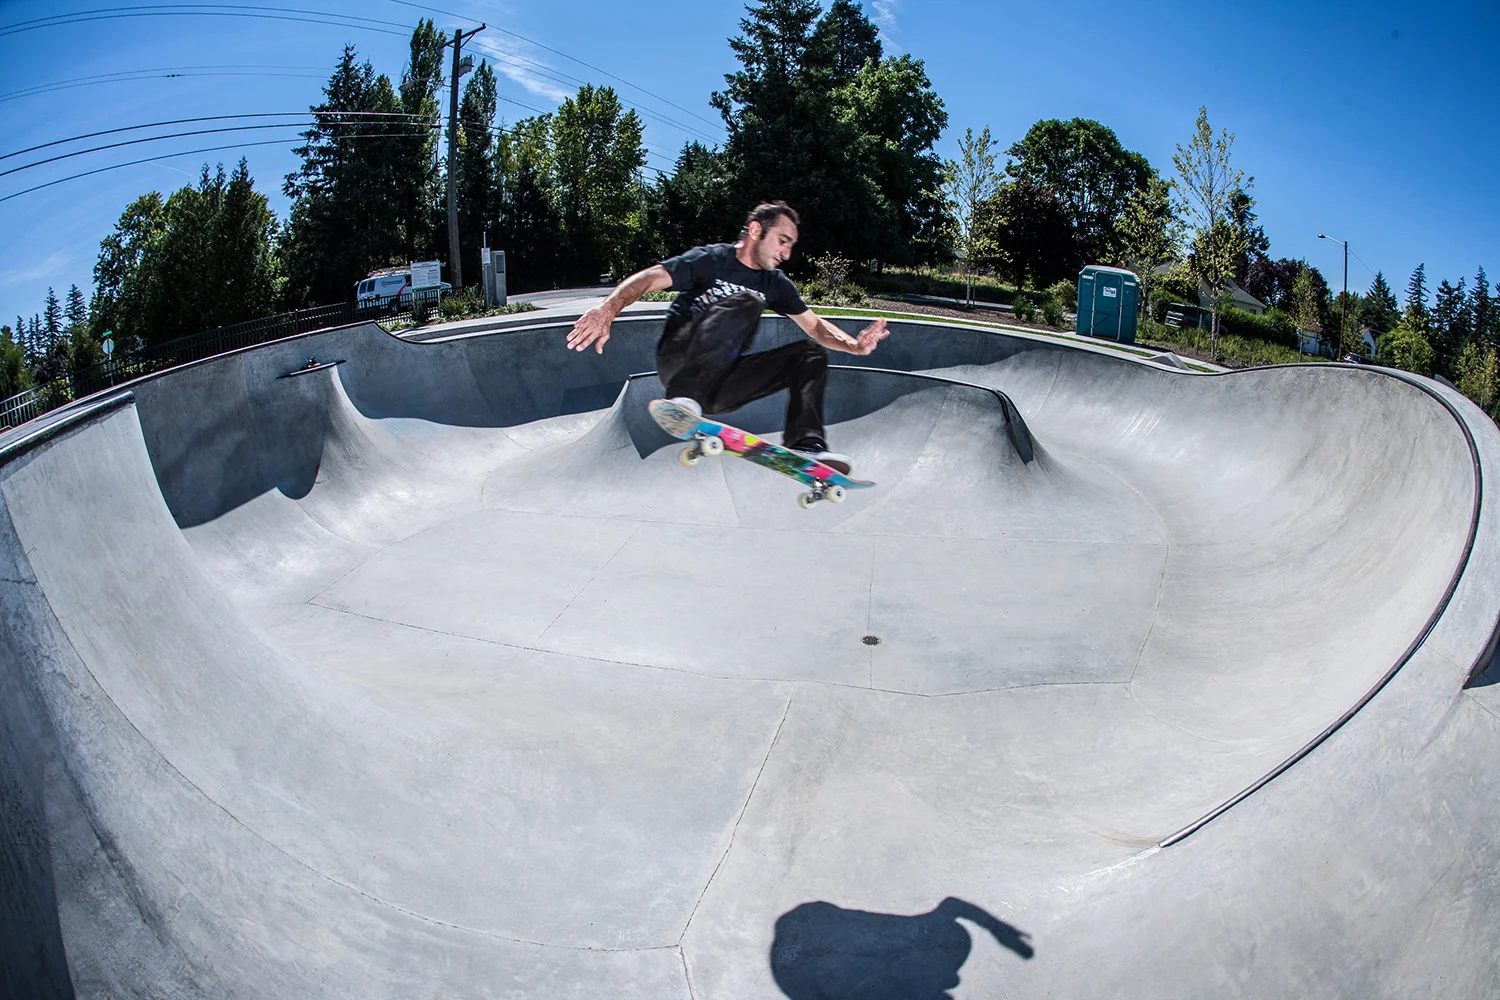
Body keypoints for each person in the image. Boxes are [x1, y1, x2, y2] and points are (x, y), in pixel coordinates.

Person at [565, 201, 890, 474]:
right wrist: (608, 307)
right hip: (680, 363)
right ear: (755, 231)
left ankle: (807, 448)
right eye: (782, 240)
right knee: (747, 300)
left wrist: (854, 344)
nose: (787, 253)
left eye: (791, 244)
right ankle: (684, 399)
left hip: (721, 387)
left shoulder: (776, 283)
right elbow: (652, 278)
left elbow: (815, 327)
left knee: (810, 353)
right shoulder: (711, 259)